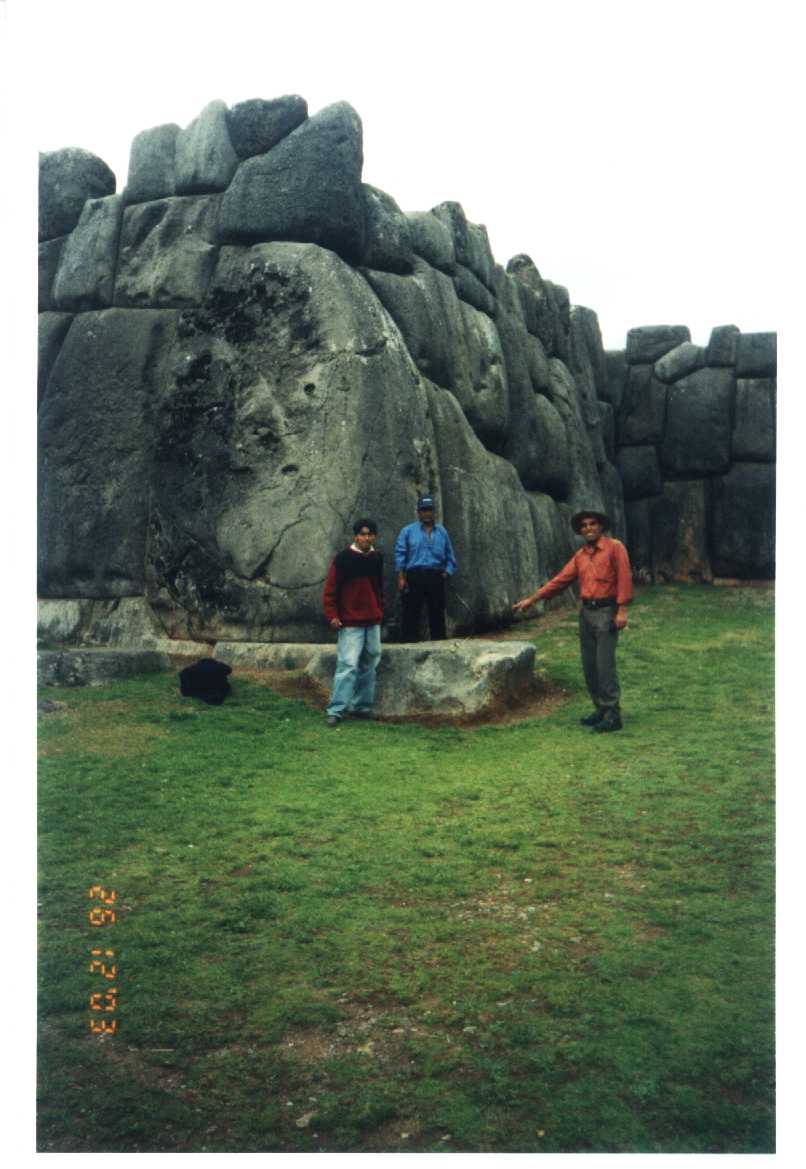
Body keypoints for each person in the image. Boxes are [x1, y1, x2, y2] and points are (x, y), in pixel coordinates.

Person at [513, 510, 633, 732]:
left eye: (592, 524)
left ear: (601, 527)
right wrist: (532, 599)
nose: (588, 528)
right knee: (589, 665)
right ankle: (600, 709)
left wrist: (622, 610)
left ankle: (612, 713)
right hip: (586, 613)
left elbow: (625, 578)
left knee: (604, 665)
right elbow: (560, 580)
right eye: (584, 525)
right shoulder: (580, 556)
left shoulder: (615, 548)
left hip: (606, 612)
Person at [322, 519, 384, 727]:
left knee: (370, 663)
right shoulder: (343, 559)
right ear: (355, 536)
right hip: (350, 622)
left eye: (370, 534)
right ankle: (336, 709)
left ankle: (362, 707)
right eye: (363, 534)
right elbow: (330, 589)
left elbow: (379, 588)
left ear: (374, 536)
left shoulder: (377, 558)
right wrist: (332, 615)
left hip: (372, 620)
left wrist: (380, 611)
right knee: (347, 665)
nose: (366, 538)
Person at [394, 495, 457, 641]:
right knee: (410, 613)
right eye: (424, 510)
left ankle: (439, 647)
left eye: (429, 510)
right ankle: (408, 647)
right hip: (414, 576)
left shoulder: (442, 532)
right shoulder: (407, 531)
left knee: (437, 614)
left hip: (436, 576)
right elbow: (400, 554)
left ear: (434, 512)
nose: (427, 513)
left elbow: (450, 557)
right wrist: (401, 577)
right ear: (418, 512)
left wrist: (446, 573)